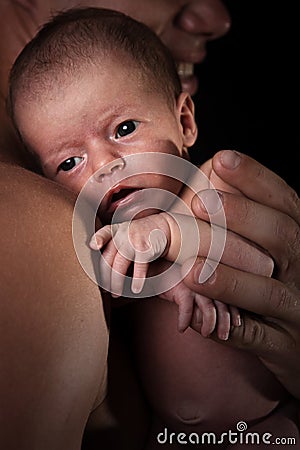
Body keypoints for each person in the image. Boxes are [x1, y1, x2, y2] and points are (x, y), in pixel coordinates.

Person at [0, 0, 299, 448]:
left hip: (270, 420)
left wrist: (165, 233)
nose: (104, 166)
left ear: (184, 122)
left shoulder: (211, 184)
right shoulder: (83, 235)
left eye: (123, 130)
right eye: (70, 162)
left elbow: (230, 248)